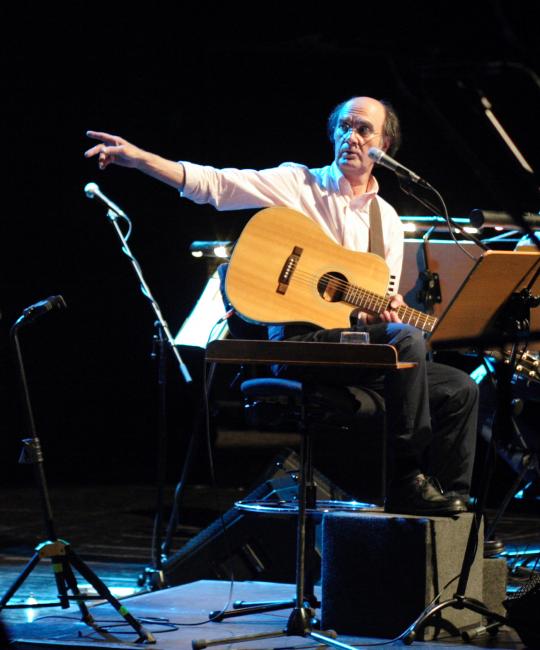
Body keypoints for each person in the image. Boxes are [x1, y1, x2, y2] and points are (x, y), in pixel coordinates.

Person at [85, 96, 478, 515]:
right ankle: (405, 478)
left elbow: (375, 303)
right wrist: (141, 160)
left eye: (364, 130)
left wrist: (377, 309)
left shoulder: (388, 221)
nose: (351, 137)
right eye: (344, 127)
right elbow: (215, 186)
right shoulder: (299, 183)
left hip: (354, 350)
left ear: (385, 145)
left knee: (460, 388)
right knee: (406, 338)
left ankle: (455, 508)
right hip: (299, 344)